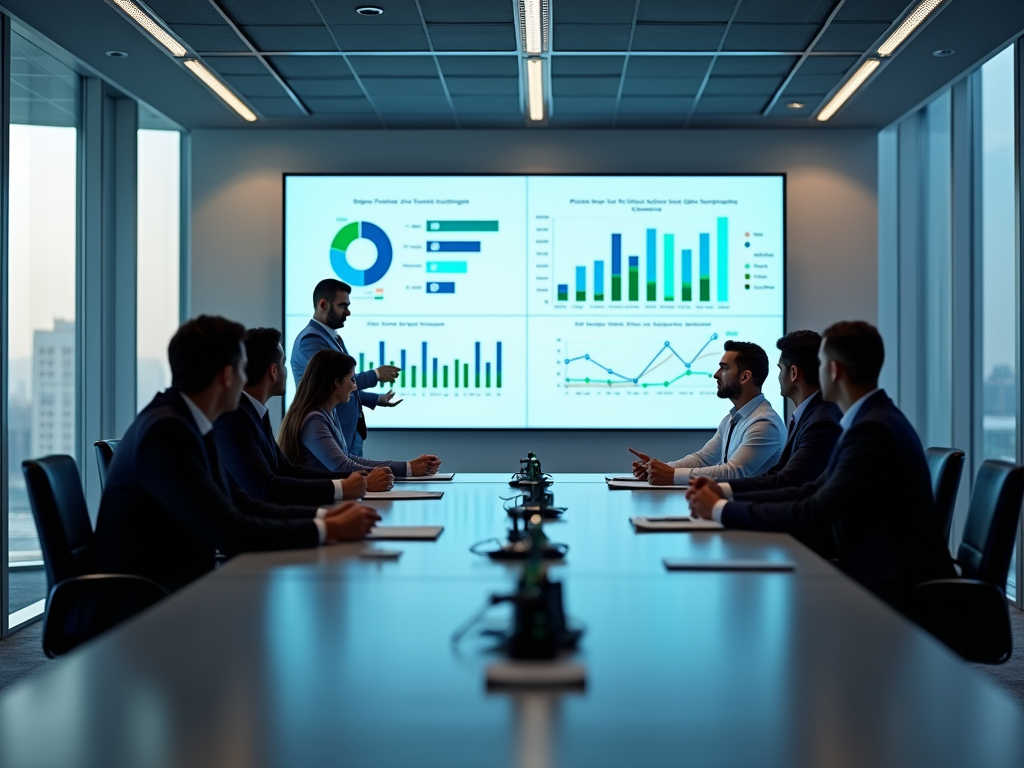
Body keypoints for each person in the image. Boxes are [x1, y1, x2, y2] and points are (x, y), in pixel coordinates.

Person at [91, 316, 381, 594]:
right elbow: (230, 530)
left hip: (172, 588)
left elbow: (239, 502)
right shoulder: (167, 432)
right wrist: (326, 528)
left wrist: (324, 516)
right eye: (243, 370)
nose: (246, 381)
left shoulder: (188, 423)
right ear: (228, 375)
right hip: (141, 603)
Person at [686, 321, 956, 610]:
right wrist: (724, 495)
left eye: (822, 363)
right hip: (882, 572)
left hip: (896, 589)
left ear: (834, 371)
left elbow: (813, 509)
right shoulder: (868, 420)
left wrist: (720, 509)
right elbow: (811, 489)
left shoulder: (870, 430)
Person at [214, 328, 395, 504]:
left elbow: (287, 471)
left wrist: (356, 479)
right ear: (273, 371)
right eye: (284, 365)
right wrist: (343, 488)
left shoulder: (253, 413)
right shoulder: (234, 420)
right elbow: (266, 487)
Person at [630, 340, 785, 485]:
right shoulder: (733, 418)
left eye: (724, 368)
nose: (716, 374)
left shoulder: (764, 423)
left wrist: (671, 475)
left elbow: (734, 472)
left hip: (753, 510)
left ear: (745, 377)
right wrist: (658, 470)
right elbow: (703, 459)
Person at [716, 330, 842, 498]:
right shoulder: (812, 414)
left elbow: (787, 481)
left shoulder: (822, 422)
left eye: (780, 369)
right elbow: (777, 474)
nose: (778, 377)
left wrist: (721, 492)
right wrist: (721, 489)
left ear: (793, 373)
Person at [279, 349, 442, 478]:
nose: (355, 387)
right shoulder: (313, 420)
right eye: (352, 380)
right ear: (336, 383)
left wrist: (408, 467)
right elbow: (342, 467)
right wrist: (405, 470)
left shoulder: (328, 413)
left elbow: (349, 459)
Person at [291, 278, 401, 457]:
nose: (348, 312)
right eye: (343, 306)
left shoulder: (334, 338)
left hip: (348, 435)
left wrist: (376, 399)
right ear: (323, 305)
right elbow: (334, 381)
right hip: (331, 432)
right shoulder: (310, 340)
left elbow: (345, 387)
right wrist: (375, 375)